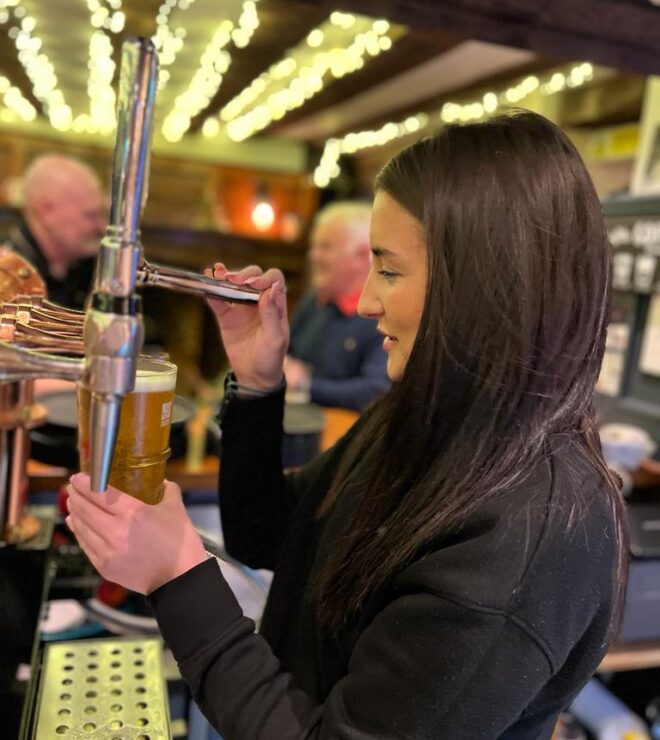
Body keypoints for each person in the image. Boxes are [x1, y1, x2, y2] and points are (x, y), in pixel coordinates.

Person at [66, 111, 628, 739]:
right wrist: (257, 384)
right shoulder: (425, 417)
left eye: (388, 268)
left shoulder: (527, 537)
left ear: (482, 283)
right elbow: (271, 536)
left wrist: (176, 576)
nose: (364, 302)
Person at [284, 201, 390, 410]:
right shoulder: (314, 301)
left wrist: (305, 384)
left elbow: (375, 391)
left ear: (361, 256)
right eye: (314, 246)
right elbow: (287, 356)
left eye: (325, 246)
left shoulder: (381, 315)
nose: (313, 256)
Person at [3, 154, 105, 309]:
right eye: (90, 215)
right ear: (46, 211)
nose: (102, 226)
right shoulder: (7, 278)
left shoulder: (91, 268)